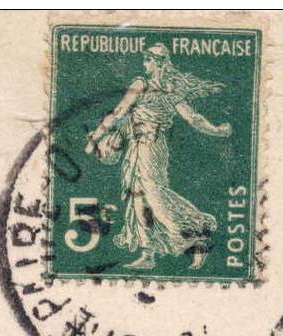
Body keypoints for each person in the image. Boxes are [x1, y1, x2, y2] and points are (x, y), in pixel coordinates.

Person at [84, 42, 232, 273]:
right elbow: (192, 119)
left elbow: (119, 113)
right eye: (145, 60)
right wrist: (217, 130)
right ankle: (148, 253)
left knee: (153, 195)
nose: (145, 64)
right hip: (139, 146)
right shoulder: (167, 89)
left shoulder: (146, 86)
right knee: (138, 197)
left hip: (149, 147)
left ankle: (194, 234)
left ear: (160, 63)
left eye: (149, 60)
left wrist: (96, 137)